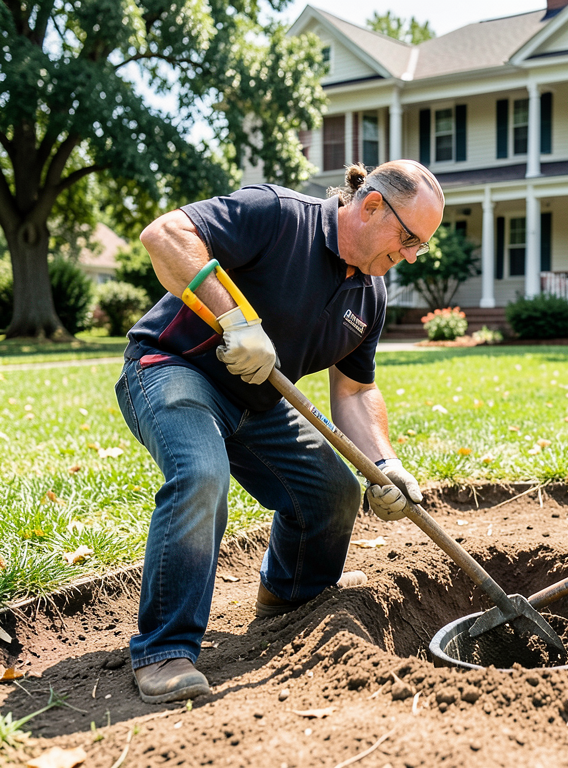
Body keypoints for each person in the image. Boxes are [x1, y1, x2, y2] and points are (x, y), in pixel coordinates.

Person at [115, 160, 445, 704]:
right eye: (409, 238)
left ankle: (290, 600)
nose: (411, 255)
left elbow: (355, 392)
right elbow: (165, 235)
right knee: (201, 474)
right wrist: (234, 320)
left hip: (258, 402)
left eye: (421, 246)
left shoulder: (370, 295)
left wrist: (385, 464)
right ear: (370, 207)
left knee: (334, 493)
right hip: (172, 369)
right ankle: (164, 650)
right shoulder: (277, 214)